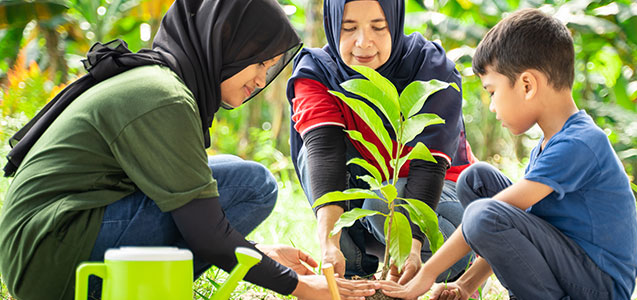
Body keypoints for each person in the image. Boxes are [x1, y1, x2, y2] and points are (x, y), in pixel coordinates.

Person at [0, 1, 380, 300]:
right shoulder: (163, 96)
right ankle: (115, 289)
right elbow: (205, 232)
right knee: (252, 183)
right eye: (259, 62)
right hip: (51, 256)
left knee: (232, 171)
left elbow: (189, 211)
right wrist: (300, 286)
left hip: (47, 245)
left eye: (271, 67)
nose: (262, 79)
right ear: (225, 41)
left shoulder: (160, 82)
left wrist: (257, 251)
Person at [380, 8, 637, 300]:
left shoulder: (580, 143)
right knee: (476, 179)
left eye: (492, 91)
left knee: (482, 212)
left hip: (598, 287)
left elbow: (488, 217)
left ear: (527, 85)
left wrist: (425, 276)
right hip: (574, 267)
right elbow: (511, 225)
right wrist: (464, 285)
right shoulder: (550, 143)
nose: (492, 106)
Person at [286, 0, 476, 284]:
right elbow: (324, 153)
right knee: (311, 155)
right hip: (371, 200)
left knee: (385, 202)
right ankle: (353, 273)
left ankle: (453, 263)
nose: (363, 42)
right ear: (333, 24)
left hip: (443, 197)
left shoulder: (432, 68)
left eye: (379, 27)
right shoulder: (318, 71)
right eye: (348, 28)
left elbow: (429, 167)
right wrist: (329, 245)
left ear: (396, 22)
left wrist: (411, 246)